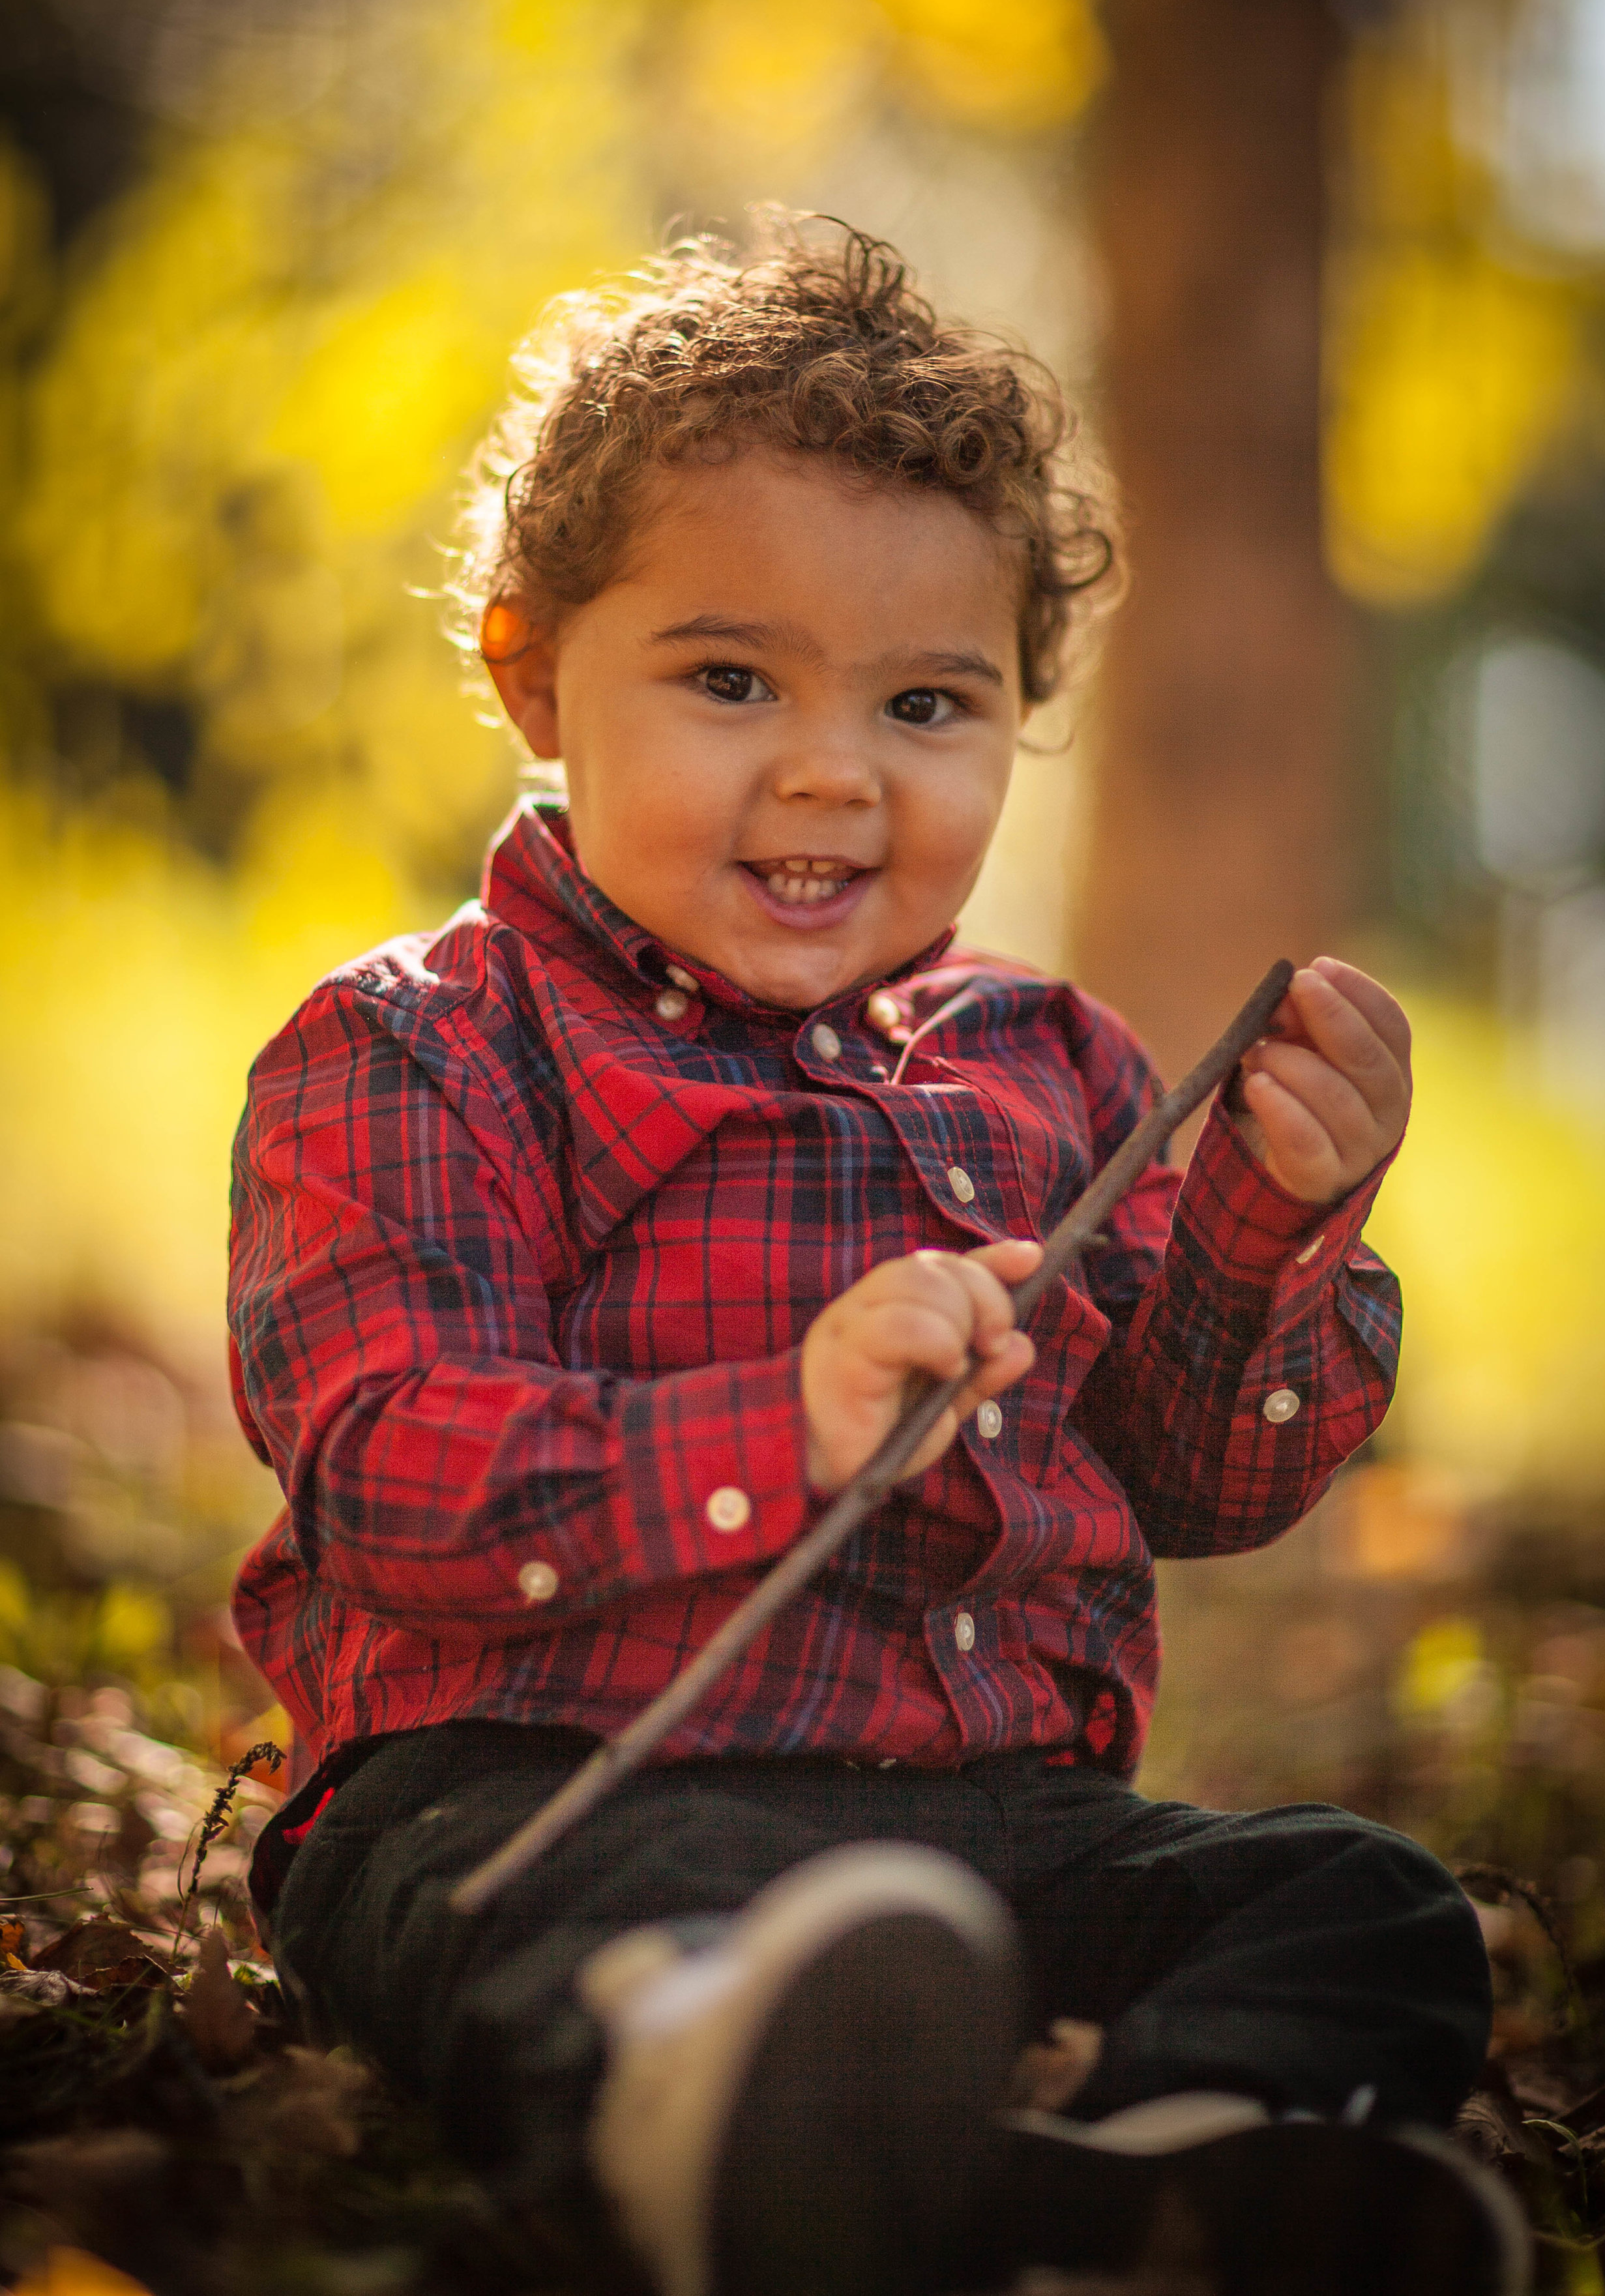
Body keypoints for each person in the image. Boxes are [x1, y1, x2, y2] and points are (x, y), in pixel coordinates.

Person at [228, 222, 1523, 2296]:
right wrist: (782, 1425)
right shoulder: (420, 1047)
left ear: (1019, 720)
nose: (834, 770)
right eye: (730, 678)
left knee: (1356, 1900)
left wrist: (1272, 1224)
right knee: (496, 1900)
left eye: (928, 701)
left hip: (974, 1823)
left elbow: (1201, 1481)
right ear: (531, 670)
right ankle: (691, 2098)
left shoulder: (1051, 1063)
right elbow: (387, 1475)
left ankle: (1153, 2168)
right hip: (553, 1782)